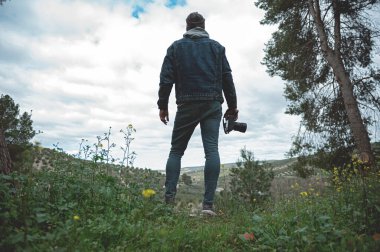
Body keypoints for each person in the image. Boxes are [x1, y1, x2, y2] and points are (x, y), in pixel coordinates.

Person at [157, 12, 238, 215]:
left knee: (176, 151)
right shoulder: (217, 48)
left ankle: (168, 203)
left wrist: (163, 105)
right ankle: (208, 206)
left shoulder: (175, 47)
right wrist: (232, 106)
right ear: (203, 26)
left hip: (187, 104)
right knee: (211, 150)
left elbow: (166, 79)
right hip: (212, 104)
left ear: (187, 27)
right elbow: (227, 79)